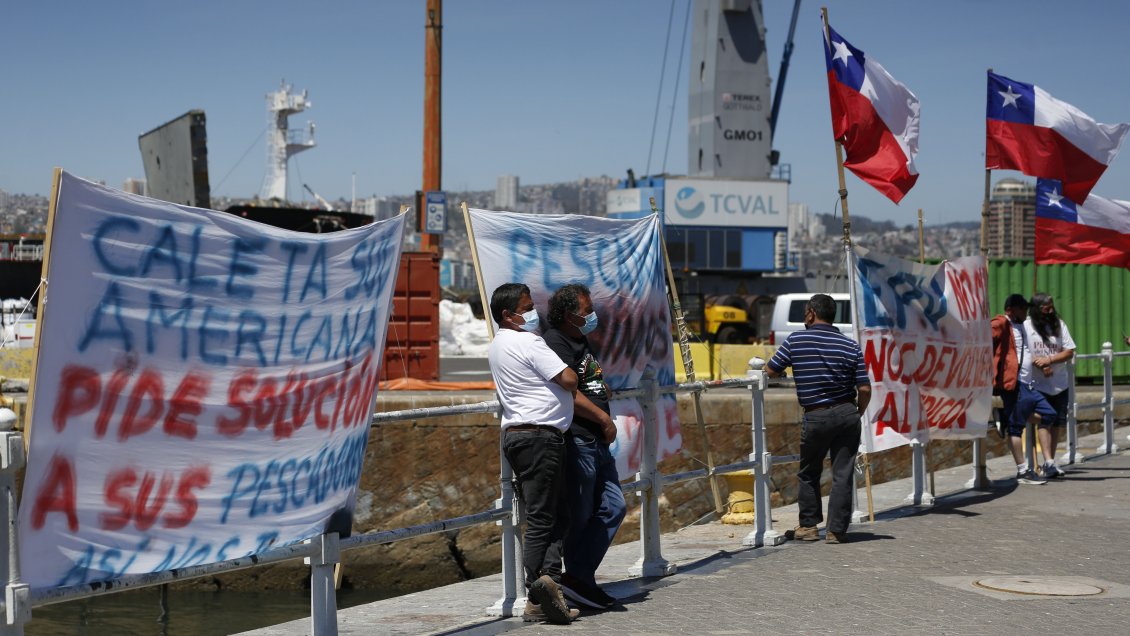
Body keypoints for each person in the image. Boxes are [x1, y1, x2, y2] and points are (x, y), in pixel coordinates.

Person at [487, 283, 580, 624]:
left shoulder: (497, 345)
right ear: (507, 315)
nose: (532, 313)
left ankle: (547, 589)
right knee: (544, 517)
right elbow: (568, 379)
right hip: (540, 436)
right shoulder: (529, 341)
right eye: (525, 307)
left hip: (519, 437)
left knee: (555, 514)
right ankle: (536, 591)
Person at [543, 283, 626, 610]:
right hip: (580, 438)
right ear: (567, 316)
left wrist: (601, 388)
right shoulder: (556, 342)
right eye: (586, 311)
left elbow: (585, 378)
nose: (592, 316)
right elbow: (568, 392)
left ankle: (578, 576)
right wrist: (604, 420)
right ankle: (578, 579)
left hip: (597, 443)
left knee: (614, 506)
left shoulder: (580, 339)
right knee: (580, 513)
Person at [764, 294, 871, 544]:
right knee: (842, 472)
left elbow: (770, 370)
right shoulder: (851, 345)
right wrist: (858, 412)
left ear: (811, 313)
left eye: (805, 313)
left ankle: (809, 527)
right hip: (847, 412)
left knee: (809, 470)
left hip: (816, 415)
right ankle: (836, 531)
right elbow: (865, 389)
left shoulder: (796, 340)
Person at [1018, 293, 1076, 479]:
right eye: (1046, 308)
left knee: (1058, 422)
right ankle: (1049, 461)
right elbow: (1021, 350)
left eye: (1051, 307)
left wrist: (1049, 360)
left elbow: (1069, 351)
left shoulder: (1058, 324)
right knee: (1045, 419)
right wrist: (1039, 363)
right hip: (1037, 384)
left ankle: (1049, 462)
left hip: (1059, 383)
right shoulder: (1026, 326)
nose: (1050, 311)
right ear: (1036, 309)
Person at [990, 294, 1046, 484]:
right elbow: (983, 335)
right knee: (1017, 427)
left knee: (1048, 415)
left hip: (1026, 383)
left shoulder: (1022, 324)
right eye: (1022, 308)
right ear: (1011, 310)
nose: (1026, 311)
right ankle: (1023, 471)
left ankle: (1003, 415)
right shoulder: (1001, 322)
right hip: (1012, 383)